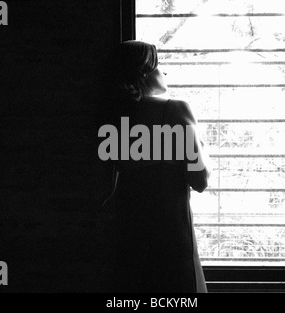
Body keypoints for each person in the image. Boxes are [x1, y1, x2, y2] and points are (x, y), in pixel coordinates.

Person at [103, 40, 211, 293]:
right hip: (168, 229)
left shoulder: (111, 117)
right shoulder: (174, 110)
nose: (164, 72)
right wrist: (201, 148)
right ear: (143, 73)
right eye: (158, 66)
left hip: (125, 230)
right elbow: (200, 180)